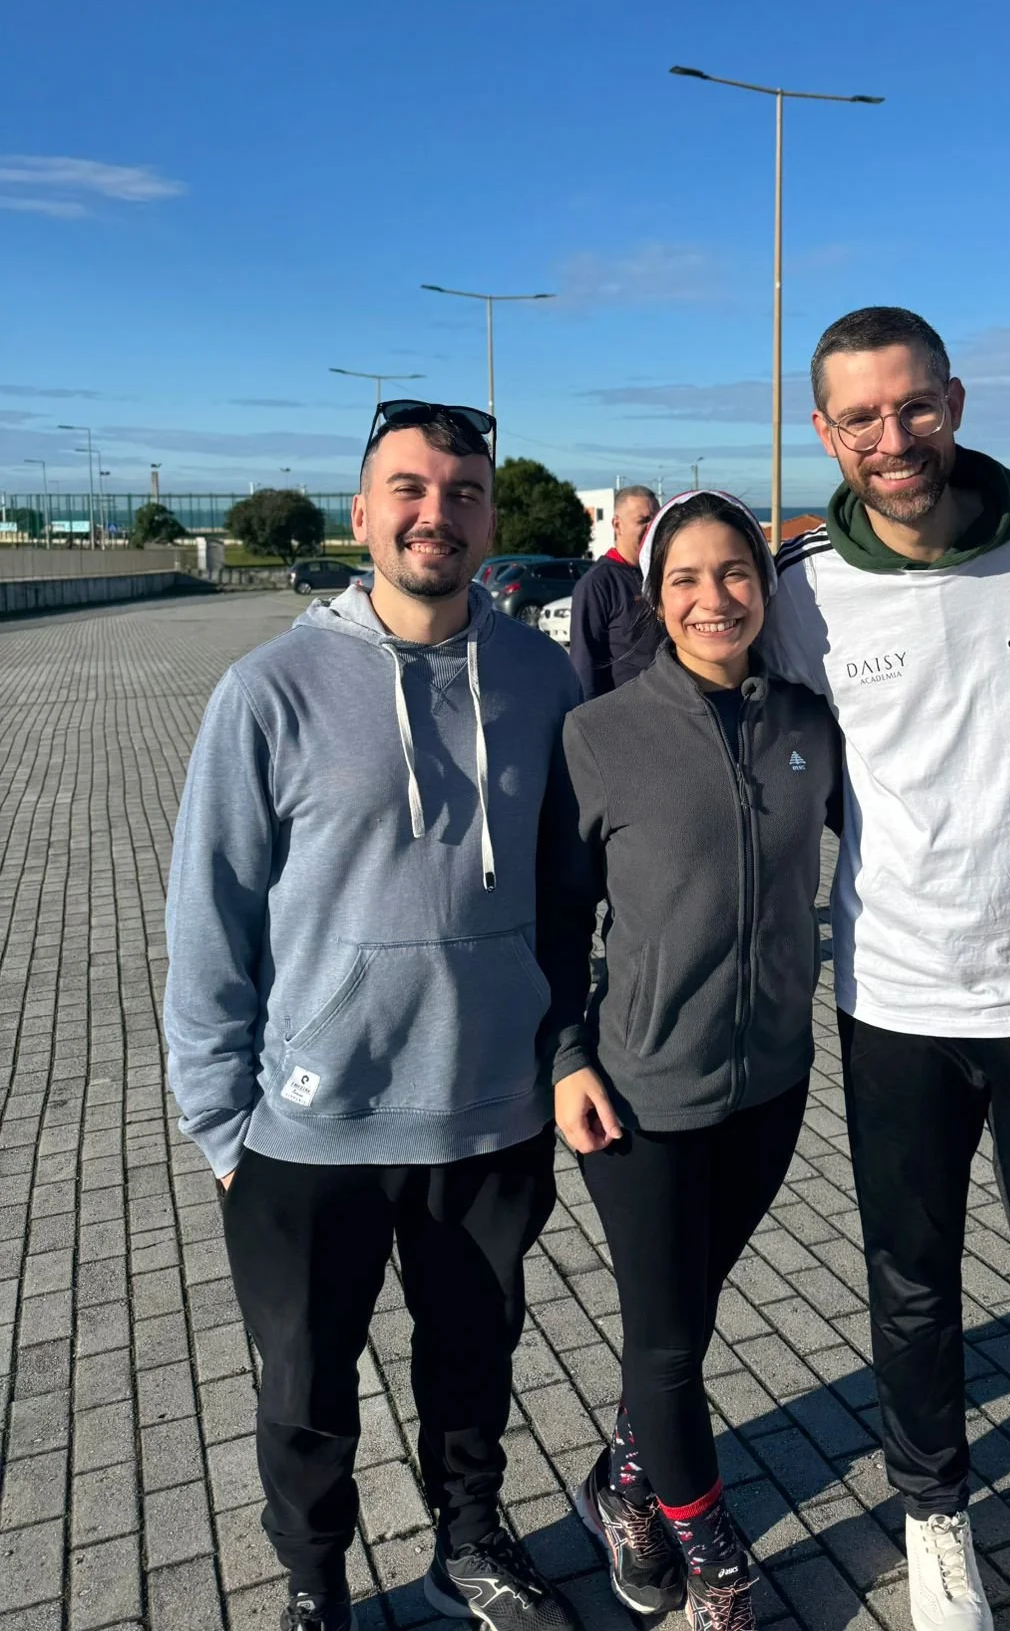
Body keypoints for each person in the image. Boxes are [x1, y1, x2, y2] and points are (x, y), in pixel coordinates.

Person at [164, 401, 588, 1631]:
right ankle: (314, 1581)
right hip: (308, 1128)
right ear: (363, 512)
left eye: (462, 493)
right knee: (304, 1390)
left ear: (489, 518)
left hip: (489, 1110)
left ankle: (470, 1542)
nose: (434, 513)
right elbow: (209, 917)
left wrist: (559, 1047)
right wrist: (222, 1128)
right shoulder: (270, 689)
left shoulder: (538, 673)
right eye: (408, 488)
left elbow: (569, 891)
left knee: (475, 1361)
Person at [762, 307, 1010, 1631]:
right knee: (911, 1282)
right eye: (862, 417)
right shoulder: (803, 594)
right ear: (825, 431)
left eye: (914, 406)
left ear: (958, 400)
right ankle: (935, 1518)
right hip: (899, 995)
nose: (893, 438)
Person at [546, 491, 841, 1631]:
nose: (713, 596)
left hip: (772, 1085)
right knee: (667, 1341)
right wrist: (567, 1053)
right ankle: (713, 1554)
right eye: (686, 577)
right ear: (651, 591)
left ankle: (622, 1479)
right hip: (640, 1098)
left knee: (690, 1310)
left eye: (735, 574)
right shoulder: (602, 733)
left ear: (766, 590)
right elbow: (556, 920)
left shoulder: (809, 721)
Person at [570, 484, 663, 698]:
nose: (652, 529)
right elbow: (584, 663)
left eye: (655, 521)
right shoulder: (597, 584)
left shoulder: (662, 575)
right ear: (617, 525)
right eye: (643, 521)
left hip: (672, 710)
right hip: (626, 715)